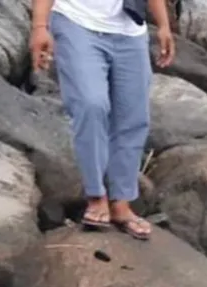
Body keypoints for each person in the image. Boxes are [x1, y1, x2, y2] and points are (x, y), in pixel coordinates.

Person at [30, 0, 175, 240]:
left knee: (133, 116)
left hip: (130, 32)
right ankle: (96, 196)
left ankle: (121, 203)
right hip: (75, 22)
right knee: (90, 105)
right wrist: (39, 26)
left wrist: (163, 25)